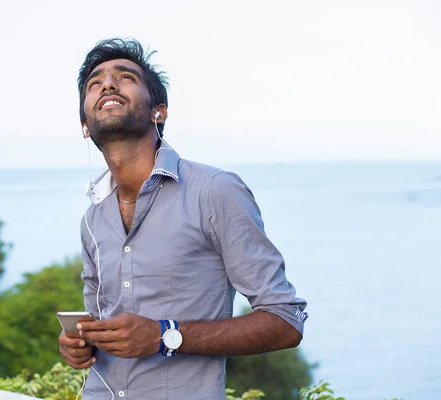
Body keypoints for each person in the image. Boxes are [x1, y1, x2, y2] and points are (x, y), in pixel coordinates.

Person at [58, 38, 308, 400]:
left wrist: (165, 336)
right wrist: (79, 345)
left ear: (159, 111)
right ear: (85, 124)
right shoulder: (93, 218)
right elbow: (102, 325)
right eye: (95, 83)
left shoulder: (215, 192)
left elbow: (286, 322)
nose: (108, 85)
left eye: (125, 77)